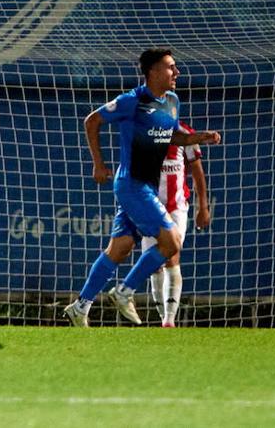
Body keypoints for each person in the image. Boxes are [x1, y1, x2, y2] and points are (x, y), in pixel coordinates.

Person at [64, 48, 221, 327]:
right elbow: (92, 120)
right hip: (131, 185)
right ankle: (124, 291)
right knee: (171, 242)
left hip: (145, 186)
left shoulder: (172, 101)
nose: (177, 72)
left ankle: (80, 306)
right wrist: (98, 164)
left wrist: (200, 137)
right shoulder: (131, 101)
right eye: (171, 67)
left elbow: (170, 137)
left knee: (119, 249)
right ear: (153, 72)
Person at [141, 120, 210, 327]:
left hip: (176, 208)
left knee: (171, 254)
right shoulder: (143, 131)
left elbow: (197, 170)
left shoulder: (185, 134)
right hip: (150, 206)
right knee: (153, 265)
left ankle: (169, 320)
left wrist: (203, 207)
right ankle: (163, 317)